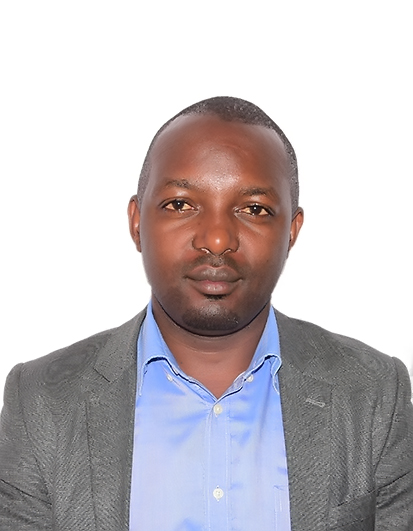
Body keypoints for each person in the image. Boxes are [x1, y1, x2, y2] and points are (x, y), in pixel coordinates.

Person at [0, 96, 412, 531]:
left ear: (291, 231)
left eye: (253, 209)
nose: (216, 239)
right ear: (137, 222)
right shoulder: (42, 401)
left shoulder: (373, 395)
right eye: (181, 204)